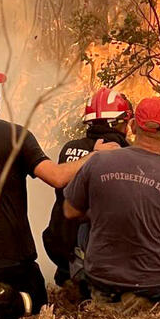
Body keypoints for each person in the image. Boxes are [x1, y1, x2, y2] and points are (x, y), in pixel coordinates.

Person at [0, 66, 118, 319]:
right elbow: (56, 177)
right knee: (37, 302)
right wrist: (95, 156)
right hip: (3, 255)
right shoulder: (13, 135)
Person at [62, 96, 160, 307]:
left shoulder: (97, 161)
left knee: (98, 284)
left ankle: (115, 298)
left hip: (101, 277)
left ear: (133, 126)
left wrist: (102, 215)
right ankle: (151, 302)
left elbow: (69, 211)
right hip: (156, 281)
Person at [42, 87, 133, 286]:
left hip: (60, 244)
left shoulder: (70, 148)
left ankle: (68, 280)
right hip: (101, 256)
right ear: (119, 123)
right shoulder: (127, 155)